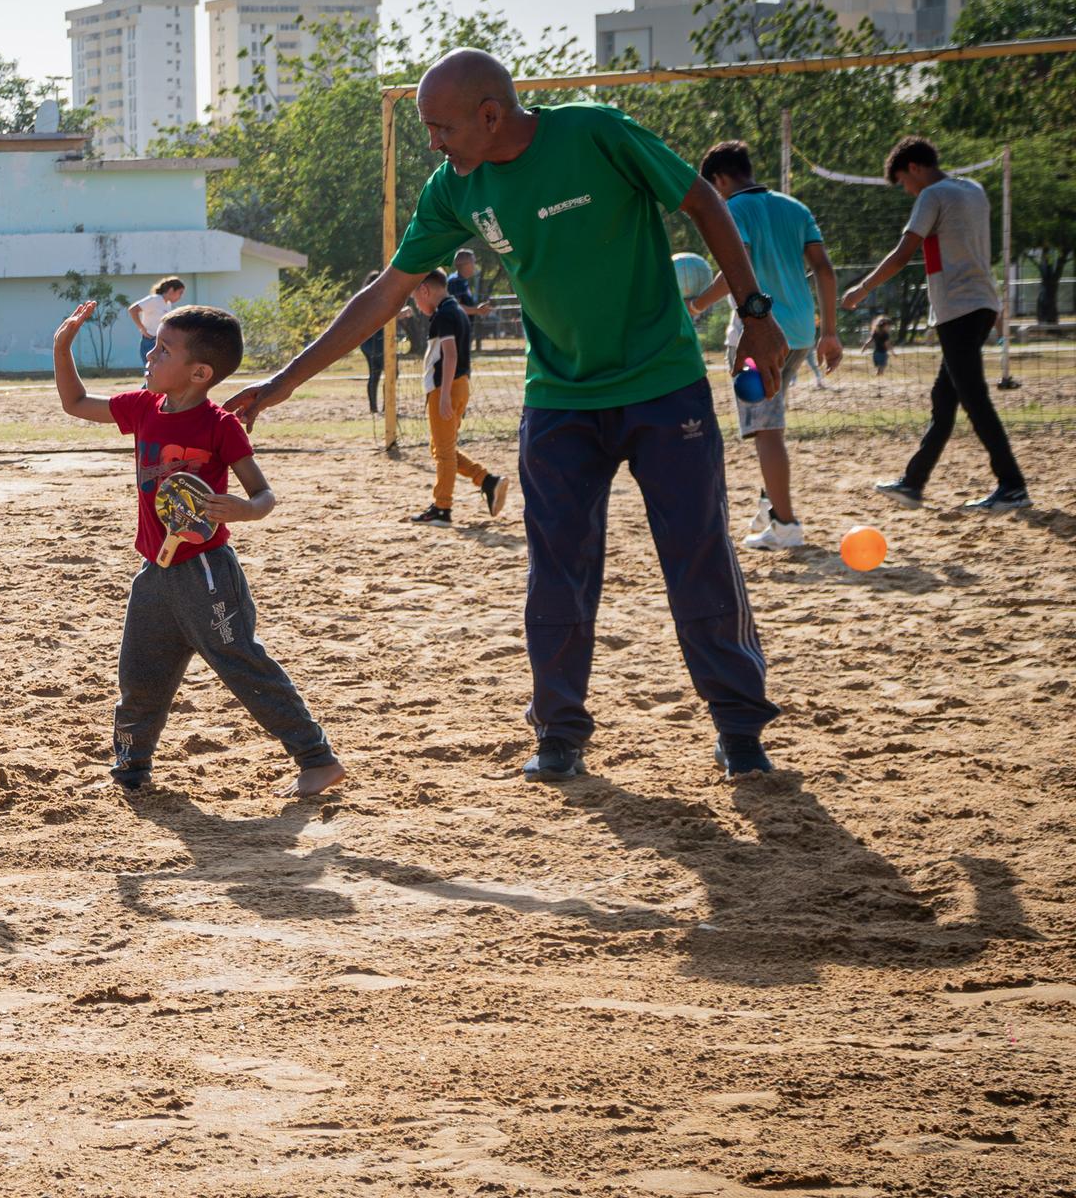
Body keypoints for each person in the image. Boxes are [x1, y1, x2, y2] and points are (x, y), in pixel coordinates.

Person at [224, 49, 786, 783]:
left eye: (442, 127)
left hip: (662, 385)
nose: (433, 142)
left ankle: (740, 730)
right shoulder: (453, 187)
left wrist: (752, 311)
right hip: (559, 399)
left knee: (697, 554)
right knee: (557, 568)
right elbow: (385, 293)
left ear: (492, 115)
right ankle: (559, 734)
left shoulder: (597, 134)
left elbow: (703, 204)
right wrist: (283, 381)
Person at [50, 300, 344, 799]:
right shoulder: (143, 408)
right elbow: (76, 402)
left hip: (205, 570)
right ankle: (131, 768)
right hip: (154, 572)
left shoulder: (220, 425)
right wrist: (62, 347)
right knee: (139, 674)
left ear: (200, 372)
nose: (149, 355)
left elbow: (263, 494)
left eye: (163, 349)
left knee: (241, 663)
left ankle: (316, 758)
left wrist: (246, 510)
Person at [840, 137, 1031, 511]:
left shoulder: (932, 195)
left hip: (958, 309)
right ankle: (913, 483)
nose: (908, 191)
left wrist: (861, 290)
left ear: (914, 167)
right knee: (945, 397)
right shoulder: (973, 190)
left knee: (974, 398)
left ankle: (1012, 485)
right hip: (982, 305)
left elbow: (903, 253)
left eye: (903, 182)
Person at [684, 140, 845, 551]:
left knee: (766, 429)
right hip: (800, 335)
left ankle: (786, 525)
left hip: (758, 333)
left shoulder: (731, 209)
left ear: (718, 180)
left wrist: (698, 305)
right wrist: (830, 331)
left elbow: (739, 268)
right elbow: (824, 271)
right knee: (770, 422)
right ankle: (768, 506)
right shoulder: (795, 207)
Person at [409, 271, 505, 525]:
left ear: (425, 291)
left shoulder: (445, 314)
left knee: (443, 453)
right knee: (442, 447)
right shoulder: (456, 310)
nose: (417, 307)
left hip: (446, 388)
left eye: (415, 298)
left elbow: (450, 356)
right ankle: (487, 481)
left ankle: (442, 508)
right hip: (458, 386)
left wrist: (442, 397)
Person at [129, 276, 186, 363]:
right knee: (153, 371)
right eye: (180, 293)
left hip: (162, 341)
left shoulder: (168, 304)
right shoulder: (155, 299)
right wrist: (142, 328)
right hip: (151, 341)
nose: (180, 296)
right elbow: (133, 309)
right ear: (171, 290)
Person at [358, 272, 386, 416]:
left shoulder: (363, 298)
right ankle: (387, 408)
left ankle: (374, 408)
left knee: (374, 374)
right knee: (392, 372)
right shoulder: (375, 299)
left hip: (366, 343)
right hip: (376, 342)